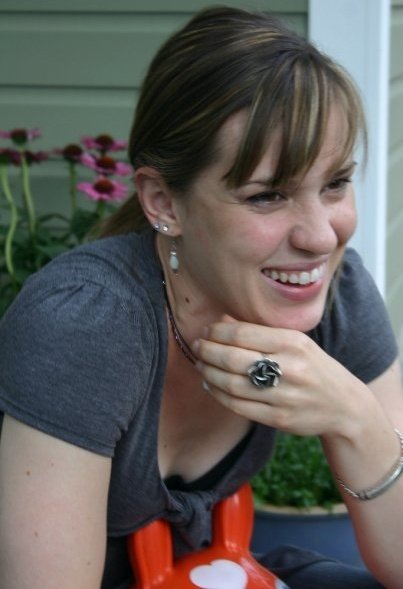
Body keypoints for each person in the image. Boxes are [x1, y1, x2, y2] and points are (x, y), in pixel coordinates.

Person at [0, 5, 402, 588]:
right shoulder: (88, 323)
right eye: (267, 196)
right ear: (163, 202)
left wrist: (354, 419)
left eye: (335, 184)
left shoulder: (332, 290)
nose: (320, 237)